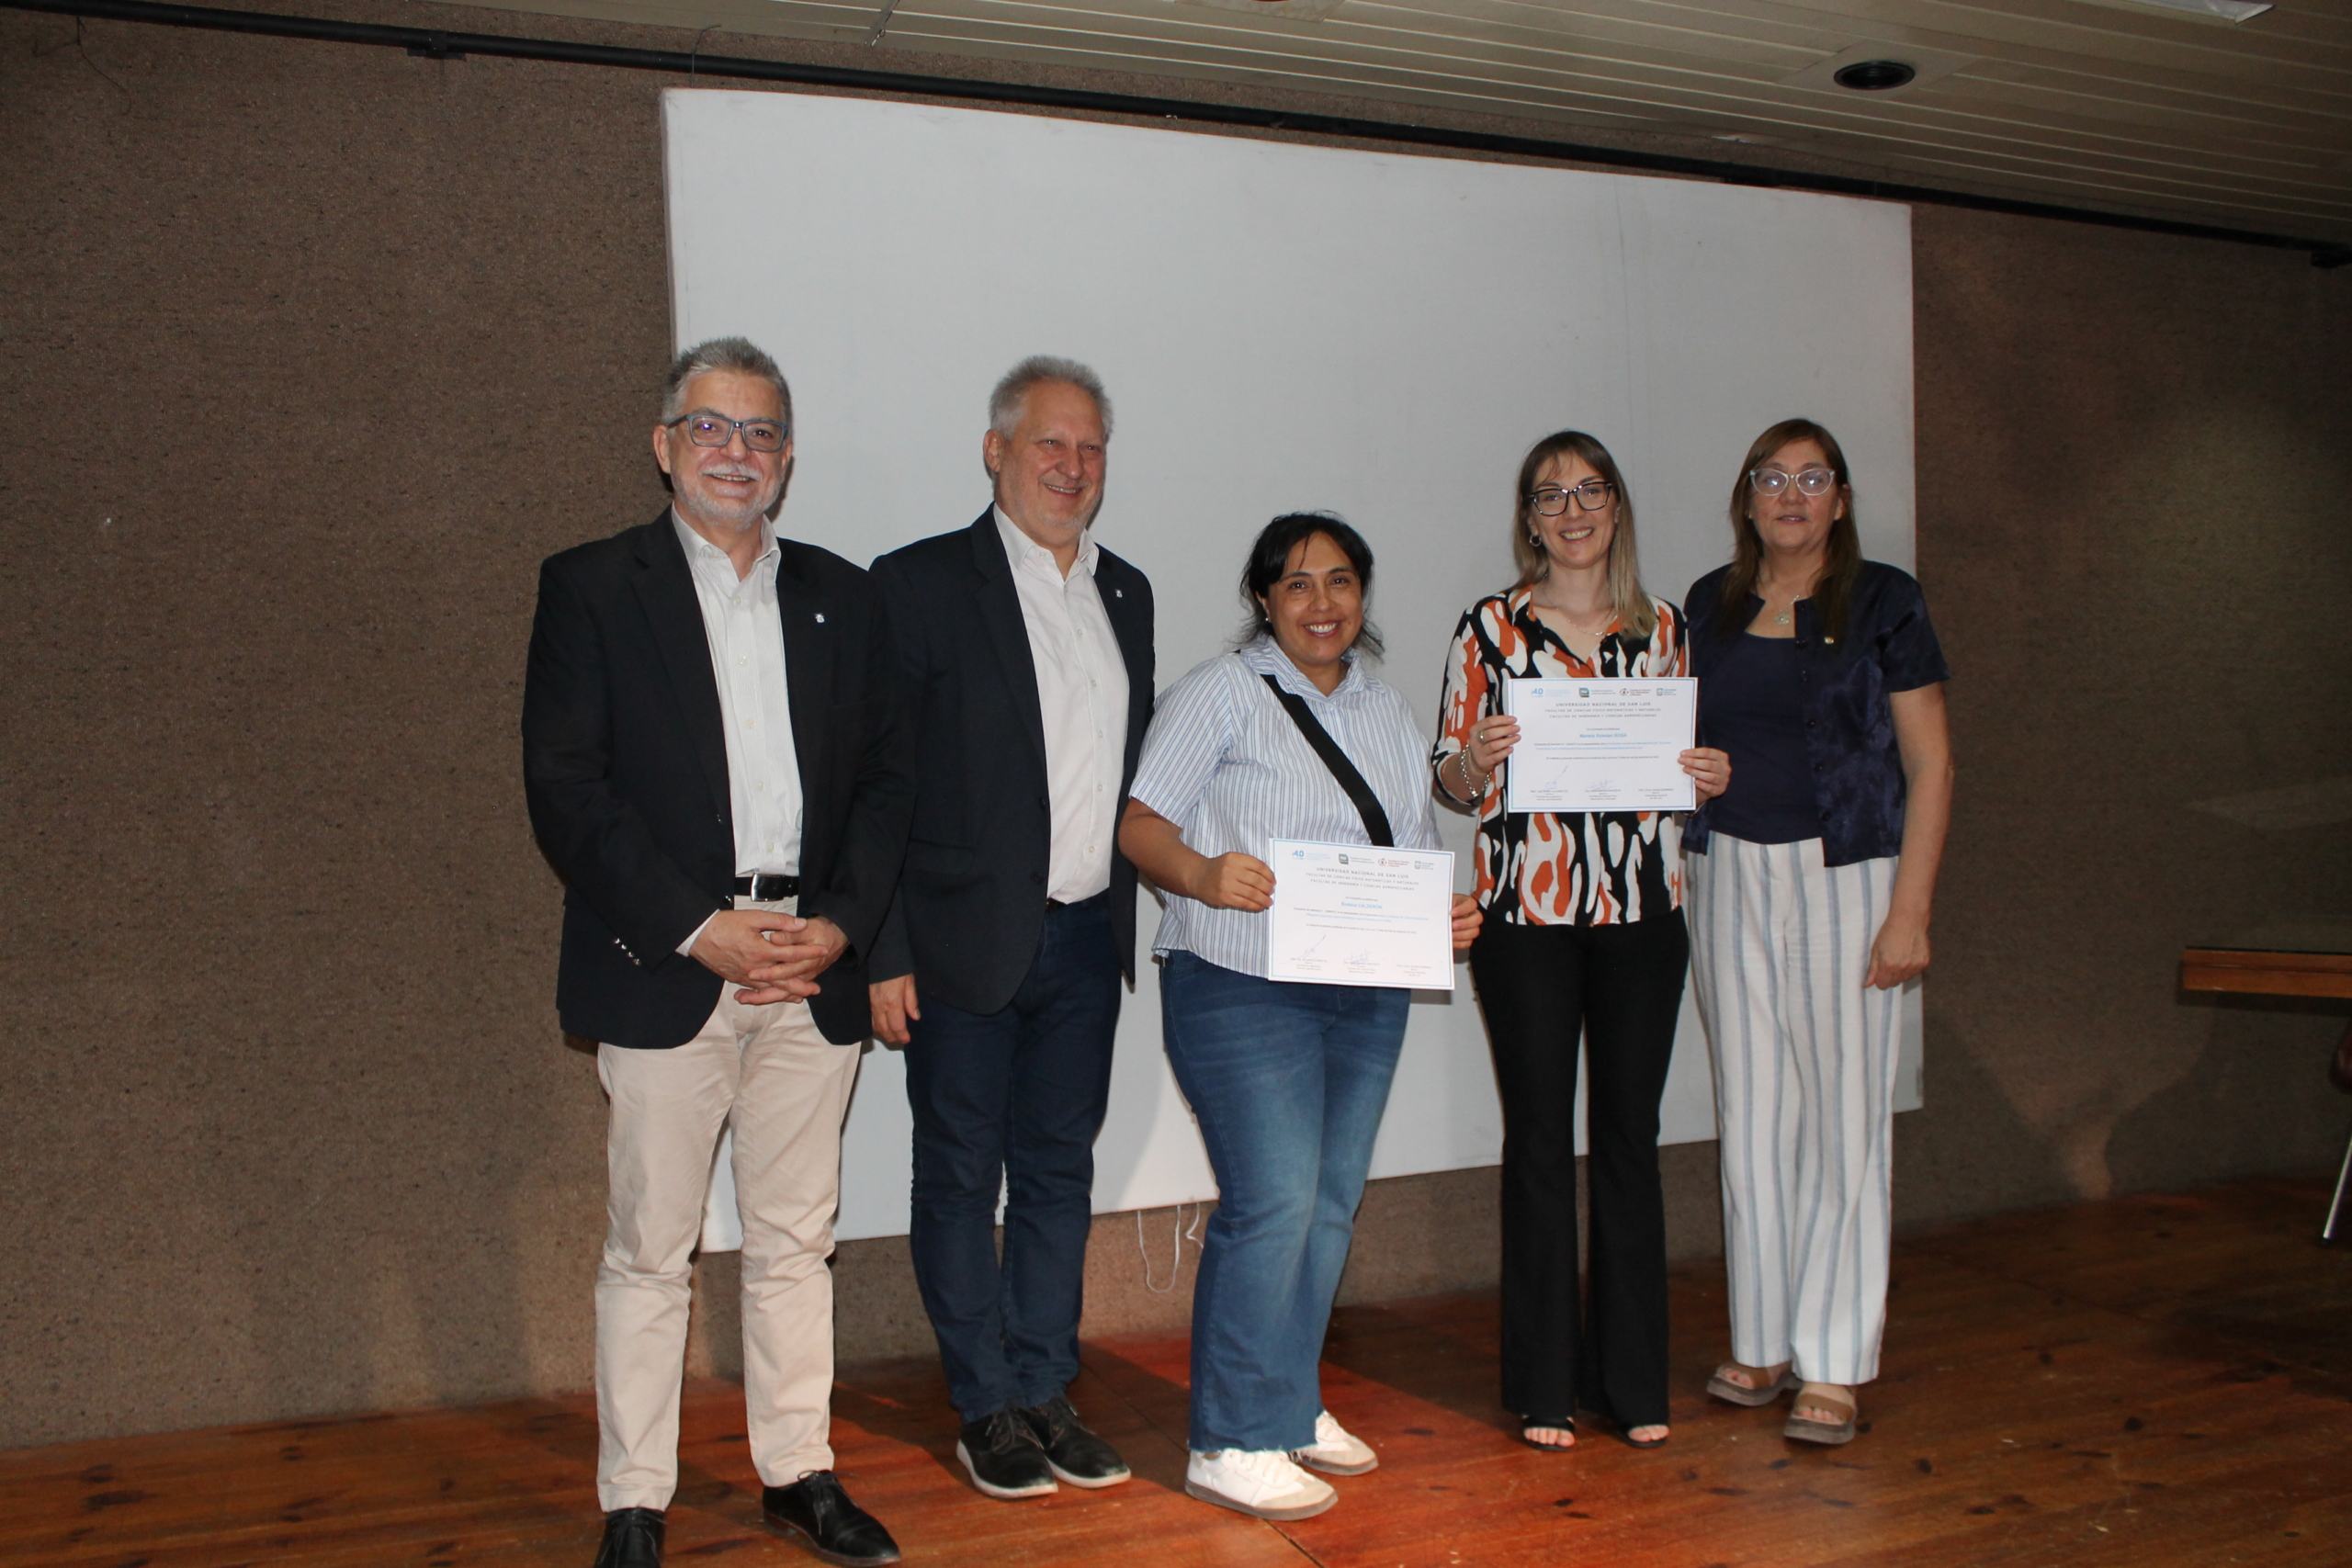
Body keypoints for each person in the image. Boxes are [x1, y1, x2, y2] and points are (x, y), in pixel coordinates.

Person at [522, 338, 912, 1568]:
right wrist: (703, 929)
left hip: (810, 962)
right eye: (710, 427)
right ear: (663, 444)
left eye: (760, 432)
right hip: (666, 962)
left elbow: (889, 785)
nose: (735, 452)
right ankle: (635, 1499)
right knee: (651, 1247)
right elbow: (566, 789)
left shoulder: (846, 598)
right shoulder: (592, 586)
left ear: (787, 459)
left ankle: (798, 1472)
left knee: (797, 1240)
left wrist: (839, 924)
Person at [1119, 513, 1482, 1522]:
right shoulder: (1220, 692)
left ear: (1362, 594)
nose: (1321, 603)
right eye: (1296, 584)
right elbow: (1139, 825)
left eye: (1339, 581)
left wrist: (1442, 914)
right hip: (1238, 982)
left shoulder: (1386, 710)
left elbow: (1409, 851)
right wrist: (1202, 874)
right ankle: (1228, 1437)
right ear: (1263, 599)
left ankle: (1283, 1403)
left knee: (1326, 1204)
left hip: (1363, 992)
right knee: (1273, 1202)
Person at [866, 357, 1154, 1501]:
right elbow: (877, 783)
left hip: (1084, 941)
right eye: (1050, 444)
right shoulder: (918, 584)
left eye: (1090, 449)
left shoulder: (1126, 592)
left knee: (1054, 1176)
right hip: (957, 945)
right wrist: (883, 947)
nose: (1071, 467)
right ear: (996, 452)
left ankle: (1042, 1386)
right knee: (956, 1178)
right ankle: (983, 1404)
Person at [1432, 431, 1730, 1453]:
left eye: (1590, 491)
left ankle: (1633, 1382)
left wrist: (1704, 778)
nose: (1572, 511)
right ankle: (1544, 1387)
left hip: (1643, 915)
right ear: (1529, 518)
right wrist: (1475, 759)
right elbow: (1449, 781)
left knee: (1629, 1142)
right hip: (1525, 919)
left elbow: (1678, 780)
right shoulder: (1489, 628)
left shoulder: (1666, 626)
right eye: (1551, 495)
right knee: (1537, 1144)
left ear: (1616, 507)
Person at [1682, 417, 1954, 1447]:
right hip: (1726, 872)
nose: (1790, 496)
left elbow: (1931, 764)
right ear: (1746, 498)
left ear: (1839, 498)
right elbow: (1677, 741)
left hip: (1851, 876)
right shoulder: (1707, 603)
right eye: (1771, 478)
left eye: (1811, 478)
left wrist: (1910, 912)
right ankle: (1762, 1340)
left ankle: (1832, 1360)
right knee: (1752, 1116)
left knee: (1844, 1122)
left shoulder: (1886, 600)